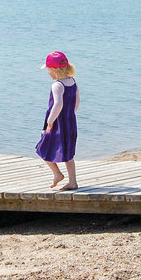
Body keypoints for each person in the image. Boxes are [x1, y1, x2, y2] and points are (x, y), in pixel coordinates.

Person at [35, 51, 80, 191]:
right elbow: (77, 102)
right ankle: (72, 181)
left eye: (49, 70)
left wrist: (50, 121)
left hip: (57, 122)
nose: (48, 73)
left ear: (55, 70)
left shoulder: (57, 85)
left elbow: (58, 105)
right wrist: (71, 115)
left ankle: (57, 173)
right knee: (68, 153)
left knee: (42, 148)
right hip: (70, 121)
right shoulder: (72, 82)